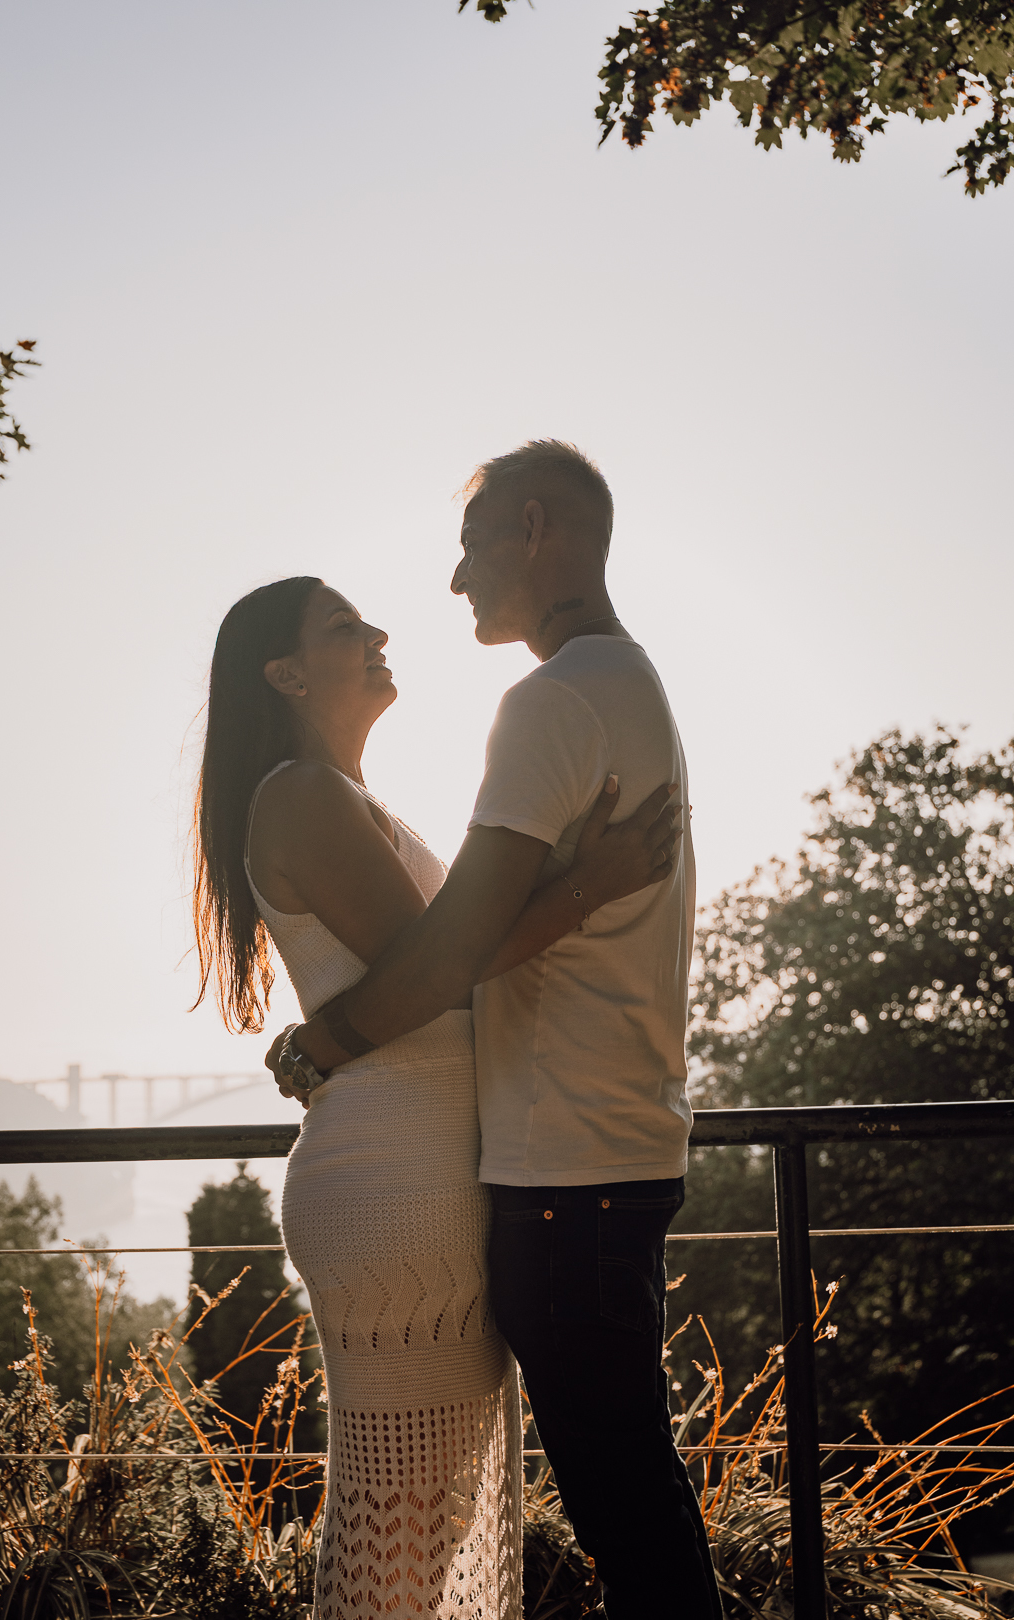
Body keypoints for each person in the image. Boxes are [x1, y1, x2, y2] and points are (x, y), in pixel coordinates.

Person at [271, 441, 723, 1619]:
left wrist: (322, 1041)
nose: (456, 581)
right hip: (604, 1153)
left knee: (626, 1512)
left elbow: (452, 945)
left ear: (534, 528)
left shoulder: (553, 698)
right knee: (633, 1498)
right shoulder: (628, 682)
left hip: (569, 1174)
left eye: (471, 546)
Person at [192, 571, 682, 1620]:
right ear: (284, 673)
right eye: (340, 627)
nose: (375, 633)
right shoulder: (301, 793)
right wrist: (595, 880)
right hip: (396, 1185)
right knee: (404, 1535)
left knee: (424, 1526)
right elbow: (439, 967)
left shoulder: (342, 796)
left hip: (416, 1175)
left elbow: (439, 961)